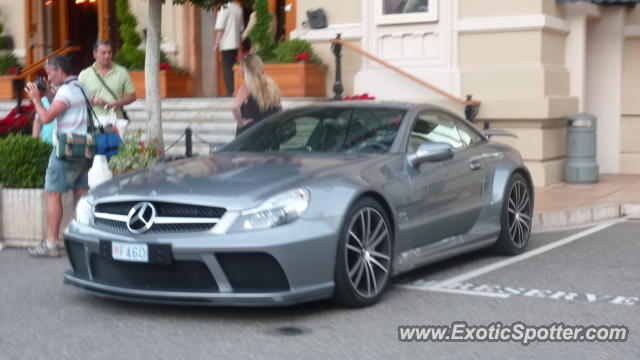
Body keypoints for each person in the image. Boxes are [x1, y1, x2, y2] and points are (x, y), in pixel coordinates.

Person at [25, 55, 92, 257]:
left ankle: (52, 243)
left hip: (66, 150)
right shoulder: (81, 87)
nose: (47, 76)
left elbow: (45, 117)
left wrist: (37, 99)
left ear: (59, 71)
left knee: (53, 194)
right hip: (85, 148)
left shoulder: (65, 91)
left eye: (49, 72)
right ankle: (83, 239)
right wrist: (48, 94)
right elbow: (64, 105)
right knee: (81, 194)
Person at [79, 40, 136, 119]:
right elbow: (77, 97)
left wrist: (120, 103)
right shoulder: (84, 74)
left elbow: (132, 97)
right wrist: (92, 99)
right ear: (95, 54)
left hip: (116, 121)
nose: (107, 56)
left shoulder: (122, 72)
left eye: (109, 53)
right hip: (93, 123)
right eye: (103, 53)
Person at [232, 53, 282, 135]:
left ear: (246, 69)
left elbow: (235, 107)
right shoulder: (271, 85)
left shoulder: (246, 86)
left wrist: (241, 122)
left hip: (252, 133)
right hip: (271, 131)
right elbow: (279, 107)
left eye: (241, 67)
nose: (240, 69)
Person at [215, 1, 245, 97]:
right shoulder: (239, 9)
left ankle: (230, 92)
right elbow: (241, 29)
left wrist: (217, 43)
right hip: (235, 43)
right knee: (235, 68)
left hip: (226, 43)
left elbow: (220, 28)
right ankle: (236, 90)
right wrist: (240, 45)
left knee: (227, 68)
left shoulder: (223, 8)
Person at [31, 80, 56, 145]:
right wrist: (34, 141)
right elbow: (37, 121)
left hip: (60, 143)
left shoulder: (64, 99)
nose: (52, 86)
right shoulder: (43, 100)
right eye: (50, 85)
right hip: (46, 142)